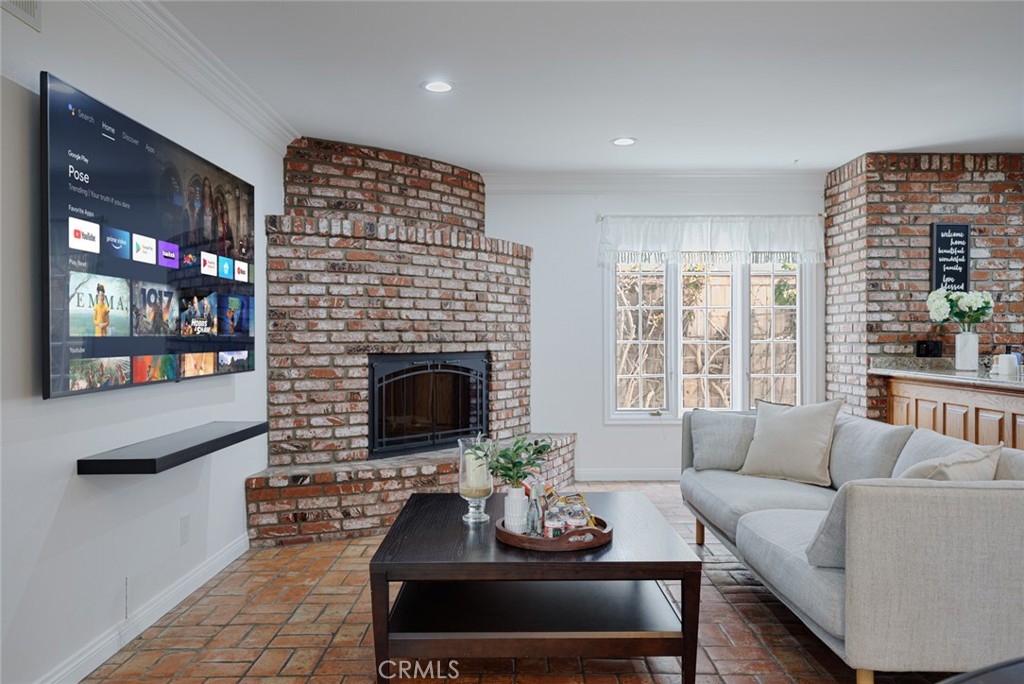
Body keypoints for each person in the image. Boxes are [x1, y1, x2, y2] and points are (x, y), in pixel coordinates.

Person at [197, 177, 215, 243]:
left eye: (208, 186)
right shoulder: (200, 210)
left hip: (211, 242)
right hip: (203, 242)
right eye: (205, 186)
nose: (207, 189)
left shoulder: (213, 209)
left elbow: (214, 229)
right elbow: (199, 230)